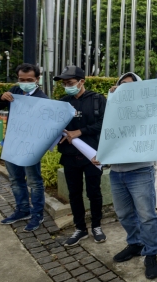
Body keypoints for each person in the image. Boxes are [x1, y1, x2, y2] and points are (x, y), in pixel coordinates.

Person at [92, 72, 157, 279]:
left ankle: (151, 253)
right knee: (123, 213)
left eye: (131, 87)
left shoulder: (147, 112)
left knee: (147, 216)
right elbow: (107, 137)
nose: (126, 90)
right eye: (122, 86)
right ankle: (135, 243)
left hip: (140, 171)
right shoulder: (113, 112)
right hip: (117, 172)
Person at [55, 66, 107, 246]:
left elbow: (105, 123)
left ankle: (97, 226)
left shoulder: (97, 99)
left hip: (92, 155)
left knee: (94, 192)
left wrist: (80, 131)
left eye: (69, 83)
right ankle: (80, 228)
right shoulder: (63, 102)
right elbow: (55, 125)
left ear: (81, 82)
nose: (67, 86)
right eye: (64, 83)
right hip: (70, 155)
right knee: (74, 193)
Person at [0, 63, 48, 232]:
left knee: (34, 182)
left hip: (31, 146)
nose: (25, 82)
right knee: (16, 180)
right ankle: (22, 210)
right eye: (21, 79)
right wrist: (1, 99)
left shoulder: (43, 99)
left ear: (37, 79)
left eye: (29, 80)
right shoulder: (14, 92)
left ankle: (37, 214)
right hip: (11, 143)